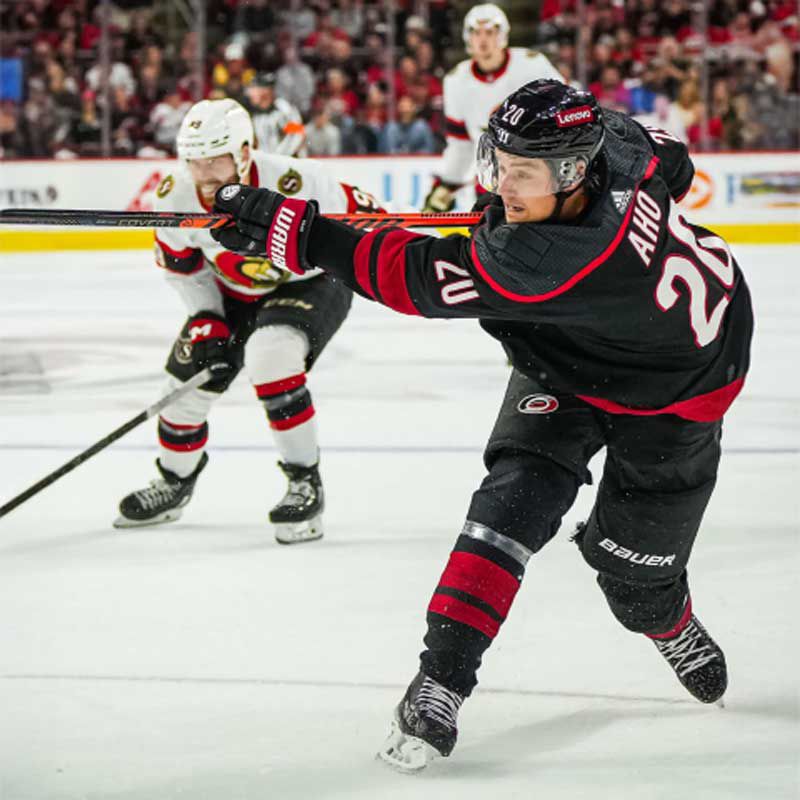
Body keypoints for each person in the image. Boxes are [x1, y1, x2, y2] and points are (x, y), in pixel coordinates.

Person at [210, 80, 754, 768]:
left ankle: (666, 620)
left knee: (633, 584)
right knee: (512, 500)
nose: (501, 185)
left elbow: (413, 278)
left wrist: (297, 232)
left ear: (572, 173)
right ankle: (441, 681)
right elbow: (672, 165)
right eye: (499, 161)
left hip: (680, 391)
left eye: (522, 174)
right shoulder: (613, 142)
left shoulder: (543, 261)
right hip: (573, 350)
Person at [114, 98, 383, 543]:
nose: (204, 175)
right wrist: (206, 317)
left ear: (243, 152)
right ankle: (174, 482)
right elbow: (184, 270)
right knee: (184, 387)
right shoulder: (174, 197)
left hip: (308, 284)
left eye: (215, 160)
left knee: (271, 358)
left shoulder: (300, 180)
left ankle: (304, 480)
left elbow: (369, 220)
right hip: (231, 293)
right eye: (194, 161)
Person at [422, 3, 564, 213]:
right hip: (492, 179)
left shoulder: (533, 66)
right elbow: (462, 146)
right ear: (467, 38)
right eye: (477, 33)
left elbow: (567, 109)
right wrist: (447, 184)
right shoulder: (456, 81)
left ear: (503, 35)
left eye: (490, 32)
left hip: (538, 173)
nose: (483, 39)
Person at [244, 72, 307, 157]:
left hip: (287, 164)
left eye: (253, 89)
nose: (249, 94)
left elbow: (298, 134)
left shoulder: (283, 109)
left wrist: (280, 157)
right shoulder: (256, 115)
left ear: (265, 91)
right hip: (268, 164)